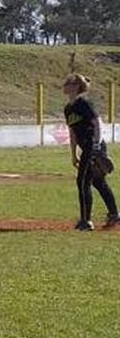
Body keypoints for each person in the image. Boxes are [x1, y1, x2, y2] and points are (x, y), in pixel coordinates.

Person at [63, 74, 118, 231]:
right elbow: (72, 132)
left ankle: (86, 221)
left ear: (76, 87)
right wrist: (73, 154)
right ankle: (115, 215)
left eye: (68, 83)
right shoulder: (68, 108)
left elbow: (97, 123)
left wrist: (95, 145)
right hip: (85, 148)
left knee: (82, 181)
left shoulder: (84, 103)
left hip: (93, 146)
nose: (65, 85)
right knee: (98, 182)